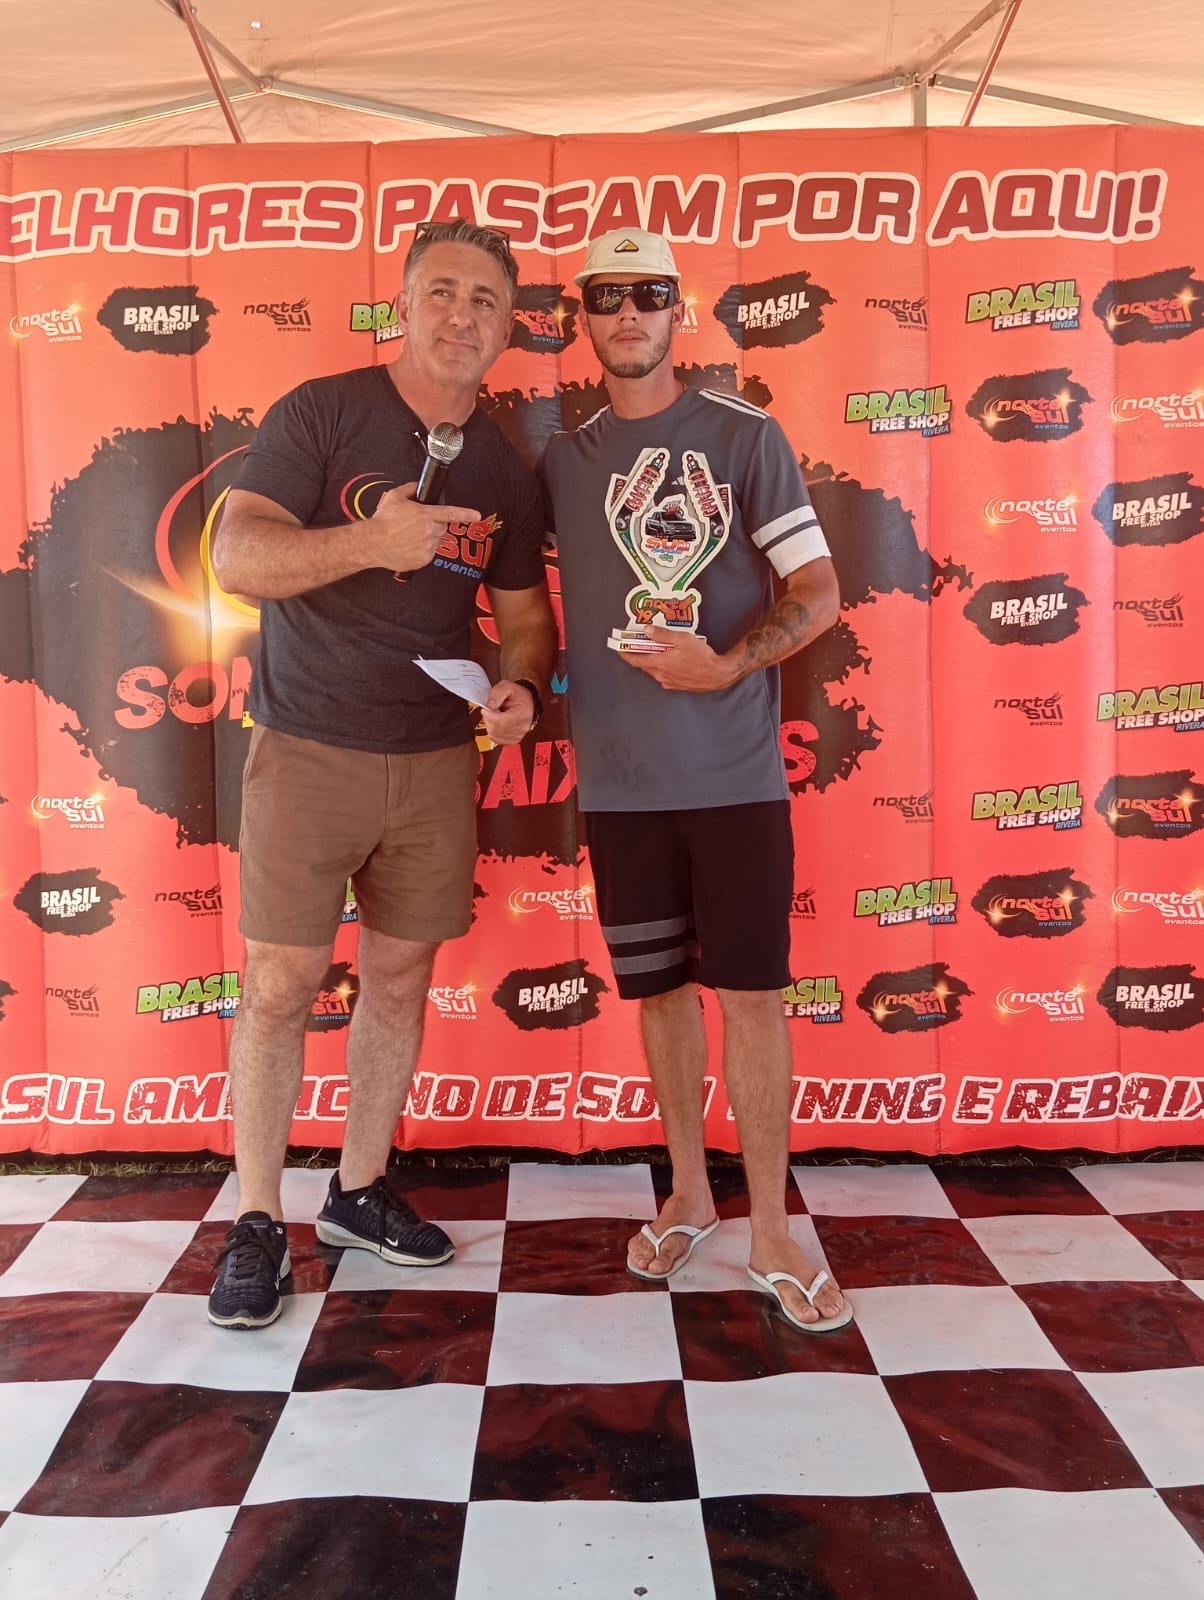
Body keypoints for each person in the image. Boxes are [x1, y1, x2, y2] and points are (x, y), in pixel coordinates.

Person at [207, 220, 557, 1330]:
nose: (462, 315)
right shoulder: (323, 411)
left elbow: (525, 618)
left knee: (400, 979)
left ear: (508, 327)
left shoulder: (503, 467)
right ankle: (255, 1220)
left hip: (433, 760)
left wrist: (521, 687)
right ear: (401, 306)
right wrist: (371, 541)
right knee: (280, 984)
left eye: (486, 300)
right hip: (307, 747)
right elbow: (236, 555)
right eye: (442, 291)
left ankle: (357, 1191)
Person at [541, 228, 851, 1332]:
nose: (627, 313)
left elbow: (817, 591)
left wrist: (724, 664)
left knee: (752, 999)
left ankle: (770, 1228)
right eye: (606, 296)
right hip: (620, 786)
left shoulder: (743, 434)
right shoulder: (563, 461)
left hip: (733, 779)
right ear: (582, 317)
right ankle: (686, 1194)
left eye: (649, 294)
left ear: (680, 310)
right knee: (660, 997)